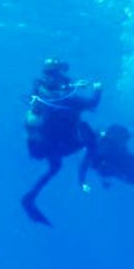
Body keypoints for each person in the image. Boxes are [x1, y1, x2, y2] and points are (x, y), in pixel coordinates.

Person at [21, 58, 102, 226]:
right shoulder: (63, 97)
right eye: (61, 72)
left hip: (43, 144)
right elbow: (92, 103)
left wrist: (70, 86)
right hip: (59, 143)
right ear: (57, 74)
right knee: (93, 137)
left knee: (55, 166)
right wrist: (98, 89)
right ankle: (88, 175)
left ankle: (30, 197)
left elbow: (58, 94)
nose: (65, 76)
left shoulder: (40, 91)